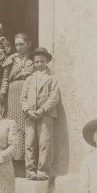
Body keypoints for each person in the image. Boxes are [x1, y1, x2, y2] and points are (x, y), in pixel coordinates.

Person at [21, 47, 60, 180]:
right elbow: (23, 97)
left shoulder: (51, 78)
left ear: (46, 62)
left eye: (41, 61)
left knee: (44, 143)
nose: (38, 64)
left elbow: (54, 98)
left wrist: (42, 110)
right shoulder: (29, 79)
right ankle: (30, 171)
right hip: (30, 115)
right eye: (36, 61)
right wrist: (28, 110)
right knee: (30, 143)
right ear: (33, 62)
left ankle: (43, 171)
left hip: (45, 115)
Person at [0, 32, 34, 176]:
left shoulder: (33, 59)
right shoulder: (10, 59)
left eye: (21, 44)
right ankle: (14, 162)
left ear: (28, 44)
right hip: (13, 94)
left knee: (26, 126)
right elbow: (5, 79)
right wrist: (2, 96)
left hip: (28, 94)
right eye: (16, 45)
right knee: (14, 126)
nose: (18, 47)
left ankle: (27, 163)